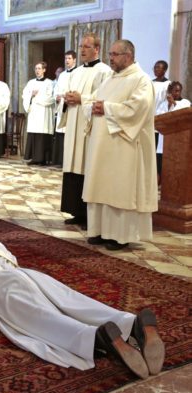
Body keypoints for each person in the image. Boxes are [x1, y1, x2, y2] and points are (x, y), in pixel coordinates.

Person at [0, 241, 165, 377]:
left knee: (42, 319)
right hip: (26, 274)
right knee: (71, 301)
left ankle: (95, 338)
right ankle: (129, 322)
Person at [83, 39, 158, 251]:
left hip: (124, 146)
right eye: (110, 54)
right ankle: (98, 231)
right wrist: (93, 107)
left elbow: (138, 109)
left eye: (115, 54)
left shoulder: (140, 80)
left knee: (119, 188)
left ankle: (120, 235)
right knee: (101, 186)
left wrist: (106, 108)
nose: (111, 58)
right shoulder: (110, 78)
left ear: (128, 56)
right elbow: (93, 101)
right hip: (101, 146)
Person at [59, 33, 111, 228]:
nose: (82, 50)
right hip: (74, 122)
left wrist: (82, 99)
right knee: (73, 165)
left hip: (89, 126)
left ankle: (89, 214)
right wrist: (67, 99)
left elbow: (102, 97)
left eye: (86, 47)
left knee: (86, 166)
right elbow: (71, 93)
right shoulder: (77, 71)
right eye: (81, 46)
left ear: (96, 49)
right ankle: (76, 211)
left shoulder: (104, 71)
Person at [155, 81, 191, 179]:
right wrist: (168, 105)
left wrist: (173, 104)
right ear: (170, 92)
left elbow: (183, 116)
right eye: (174, 91)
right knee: (160, 168)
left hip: (179, 141)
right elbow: (159, 117)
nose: (176, 93)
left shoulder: (185, 102)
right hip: (163, 142)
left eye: (178, 91)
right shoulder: (163, 104)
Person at [22, 61, 55, 165]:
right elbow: (25, 95)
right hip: (34, 113)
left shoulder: (50, 83)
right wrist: (31, 95)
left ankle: (43, 159)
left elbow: (51, 98)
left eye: (39, 68)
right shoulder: (30, 82)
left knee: (42, 135)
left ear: (44, 70)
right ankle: (34, 158)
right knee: (34, 135)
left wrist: (36, 98)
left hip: (44, 113)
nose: (37, 70)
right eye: (36, 68)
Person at [51, 50, 77, 166]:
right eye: (66, 58)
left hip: (72, 106)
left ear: (74, 60)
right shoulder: (62, 75)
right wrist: (56, 97)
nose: (67, 60)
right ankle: (60, 160)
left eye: (69, 58)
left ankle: (69, 161)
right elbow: (57, 89)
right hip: (61, 106)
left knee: (70, 133)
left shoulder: (78, 73)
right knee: (60, 134)